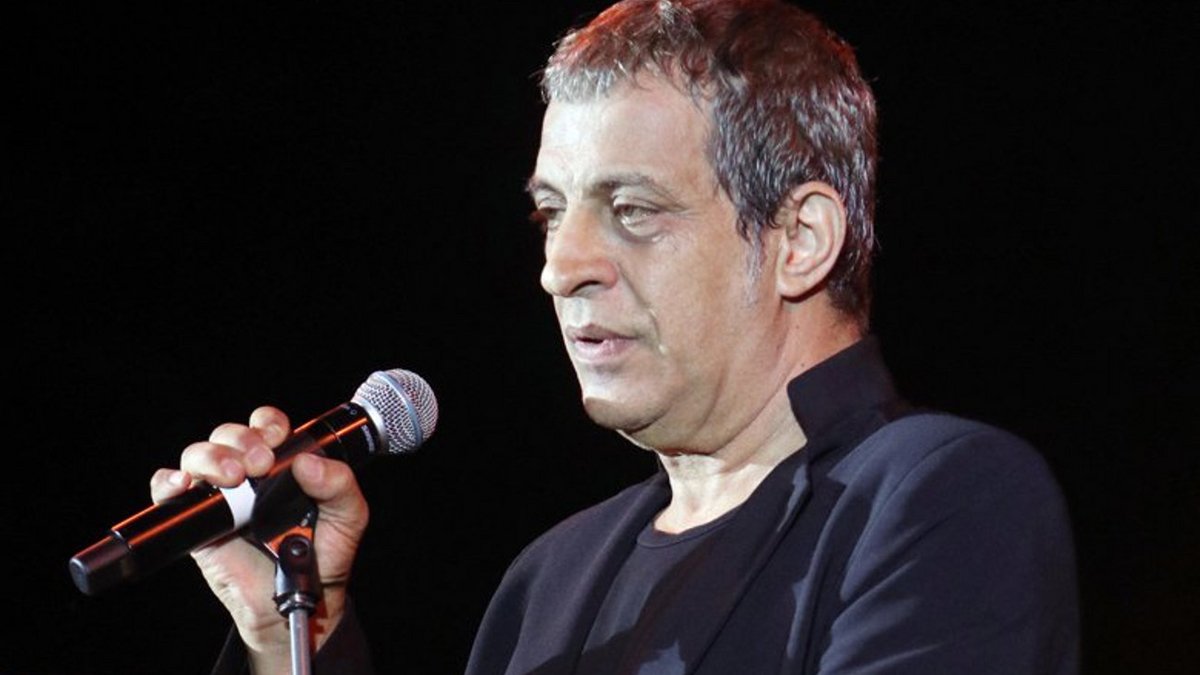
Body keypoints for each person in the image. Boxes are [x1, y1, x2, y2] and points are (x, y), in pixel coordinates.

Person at [151, 1, 1080, 673]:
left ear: (799, 239)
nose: (560, 267)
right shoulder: (550, 580)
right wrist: (289, 635)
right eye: (551, 214)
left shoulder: (936, 495)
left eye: (632, 209)